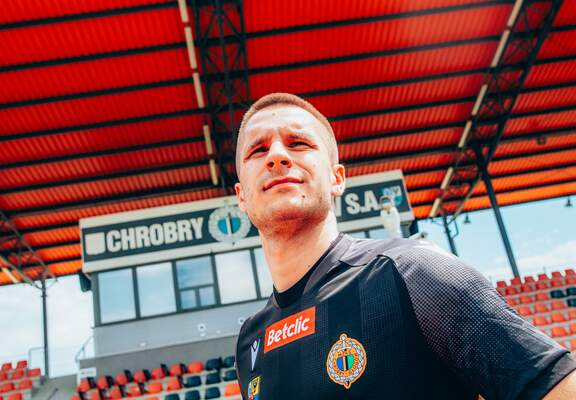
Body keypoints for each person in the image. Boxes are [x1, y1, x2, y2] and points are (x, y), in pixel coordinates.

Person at [233, 92, 576, 399]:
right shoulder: (250, 340)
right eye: (258, 150)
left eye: (298, 143)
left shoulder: (415, 273)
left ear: (337, 179)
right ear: (241, 197)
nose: (276, 156)